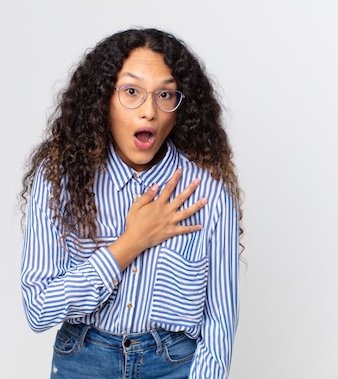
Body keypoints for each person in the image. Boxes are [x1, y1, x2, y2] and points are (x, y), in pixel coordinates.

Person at [20, 27, 243, 378]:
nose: (149, 112)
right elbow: (38, 309)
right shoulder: (60, 179)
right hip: (83, 361)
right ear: (102, 100)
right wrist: (130, 243)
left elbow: (220, 319)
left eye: (165, 95)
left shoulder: (209, 192)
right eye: (131, 92)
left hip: (173, 365)